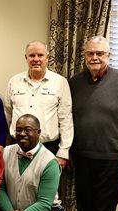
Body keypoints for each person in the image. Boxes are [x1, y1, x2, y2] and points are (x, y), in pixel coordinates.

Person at [69, 35, 118, 211]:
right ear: (84, 56)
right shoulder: (74, 82)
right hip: (82, 158)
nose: (95, 57)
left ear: (109, 55)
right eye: (90, 53)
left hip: (112, 160)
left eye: (100, 53)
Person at [5, 40, 73, 168]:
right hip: (18, 146)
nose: (36, 59)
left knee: (47, 187)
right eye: (32, 55)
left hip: (48, 147)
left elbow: (66, 119)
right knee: (15, 185)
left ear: (47, 58)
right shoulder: (14, 81)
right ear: (26, 58)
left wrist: (63, 151)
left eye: (40, 55)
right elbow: (8, 113)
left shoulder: (60, 82)